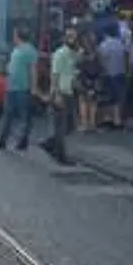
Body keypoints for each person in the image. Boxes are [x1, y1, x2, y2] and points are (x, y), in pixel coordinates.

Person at [0, 26, 39, 150]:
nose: (13, 37)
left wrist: (33, 88)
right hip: (11, 88)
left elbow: (33, 70)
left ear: (18, 36)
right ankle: (2, 140)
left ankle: (22, 141)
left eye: (14, 35)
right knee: (7, 115)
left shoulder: (30, 50)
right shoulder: (16, 50)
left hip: (22, 89)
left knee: (24, 117)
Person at [40, 28, 79, 165]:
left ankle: (49, 143)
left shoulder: (73, 55)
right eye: (69, 37)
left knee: (71, 126)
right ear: (65, 39)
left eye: (74, 37)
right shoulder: (60, 54)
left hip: (70, 92)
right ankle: (61, 156)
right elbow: (54, 75)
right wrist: (55, 94)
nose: (72, 40)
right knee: (61, 127)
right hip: (61, 93)